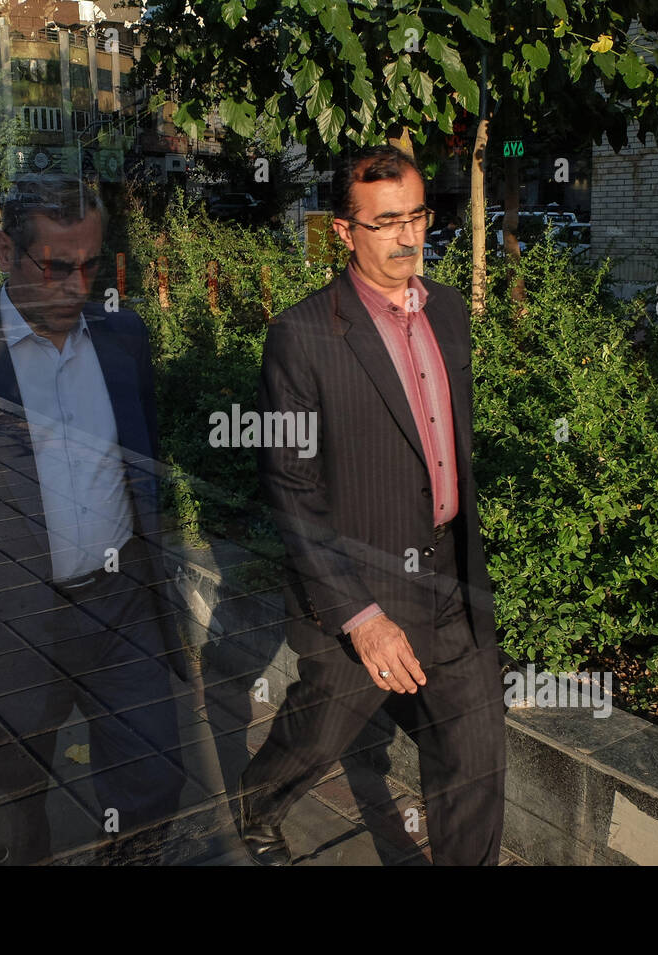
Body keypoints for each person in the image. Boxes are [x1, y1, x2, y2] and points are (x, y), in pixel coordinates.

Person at [0, 174, 187, 864]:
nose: (77, 286)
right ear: (5, 252)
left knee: (154, 778)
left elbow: (143, 457)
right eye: (56, 266)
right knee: (11, 816)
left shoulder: (123, 338)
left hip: (121, 609)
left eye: (91, 265)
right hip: (8, 622)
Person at [237, 144, 507, 865]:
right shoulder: (300, 335)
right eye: (386, 221)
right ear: (343, 231)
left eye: (417, 215)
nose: (408, 236)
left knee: (477, 757)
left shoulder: (447, 310)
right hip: (364, 583)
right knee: (319, 731)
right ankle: (260, 796)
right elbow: (291, 487)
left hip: (452, 577)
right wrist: (361, 616)